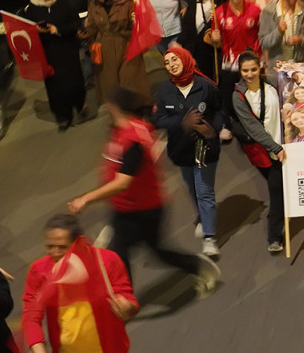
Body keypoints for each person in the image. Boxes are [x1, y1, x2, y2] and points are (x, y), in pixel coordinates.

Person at [67, 87, 219, 294]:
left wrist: (86, 198)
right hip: (126, 207)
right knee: (122, 253)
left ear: (114, 107)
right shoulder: (123, 130)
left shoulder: (132, 140)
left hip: (142, 209)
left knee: (148, 252)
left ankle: (196, 267)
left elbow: (122, 182)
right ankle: (125, 296)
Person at [23, 214, 140, 353]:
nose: (55, 252)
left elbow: (128, 299)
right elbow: (31, 316)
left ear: (78, 242)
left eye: (62, 247)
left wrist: (127, 308)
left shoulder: (106, 261)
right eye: (50, 246)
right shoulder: (40, 270)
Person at [153, 46, 224, 259]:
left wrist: (213, 129)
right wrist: (181, 122)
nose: (171, 65)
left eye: (175, 60)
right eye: (167, 62)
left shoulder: (206, 86)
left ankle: (209, 238)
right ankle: (203, 216)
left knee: (204, 191)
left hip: (205, 148)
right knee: (192, 189)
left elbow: (220, 110)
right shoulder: (164, 91)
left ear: (185, 59)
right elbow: (157, 119)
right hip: (181, 150)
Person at [227, 52, 288, 254]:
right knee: (277, 190)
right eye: (245, 70)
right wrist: (275, 147)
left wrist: (287, 71)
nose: (250, 74)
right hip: (264, 150)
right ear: (240, 70)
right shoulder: (238, 96)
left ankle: (282, 224)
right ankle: (275, 236)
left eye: (253, 69)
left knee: (281, 187)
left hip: (284, 144)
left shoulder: (272, 83)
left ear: (260, 68)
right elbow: (252, 128)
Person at [24, 0, 86, 131]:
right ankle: (62, 116)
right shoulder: (33, 7)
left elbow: (75, 25)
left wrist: (57, 29)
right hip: (47, 53)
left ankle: (79, 103)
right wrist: (36, 30)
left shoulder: (64, 3)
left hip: (67, 50)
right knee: (54, 86)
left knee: (72, 82)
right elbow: (27, 27)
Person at [85, 0, 151, 102]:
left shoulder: (127, 2)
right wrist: (81, 32)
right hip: (105, 51)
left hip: (126, 48)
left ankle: (137, 109)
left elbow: (139, 26)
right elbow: (91, 28)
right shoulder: (94, 5)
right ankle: (116, 111)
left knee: (131, 83)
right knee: (110, 86)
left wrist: (136, 22)